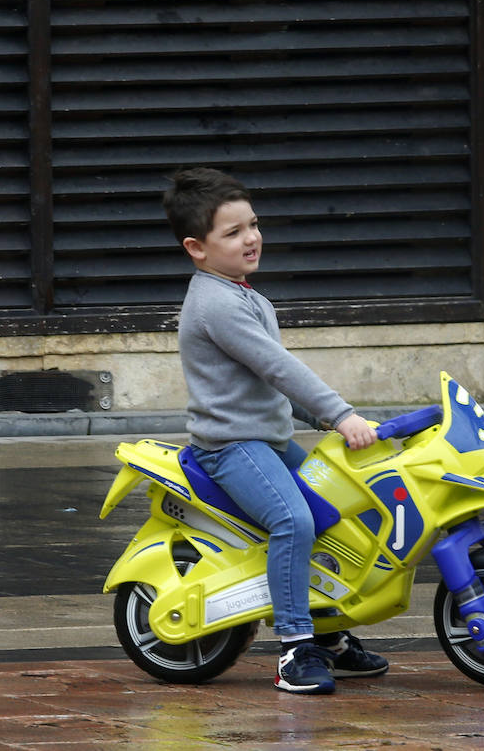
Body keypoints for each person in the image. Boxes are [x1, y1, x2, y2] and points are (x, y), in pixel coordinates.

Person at [163, 167, 389, 695]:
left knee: (331, 517)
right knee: (293, 521)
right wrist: (340, 415)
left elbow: (269, 386)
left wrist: (326, 421)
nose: (252, 238)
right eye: (234, 232)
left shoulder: (245, 295)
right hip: (231, 447)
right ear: (196, 247)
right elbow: (279, 368)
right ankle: (293, 648)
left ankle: (329, 637)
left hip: (267, 440)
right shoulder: (217, 303)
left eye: (254, 225)